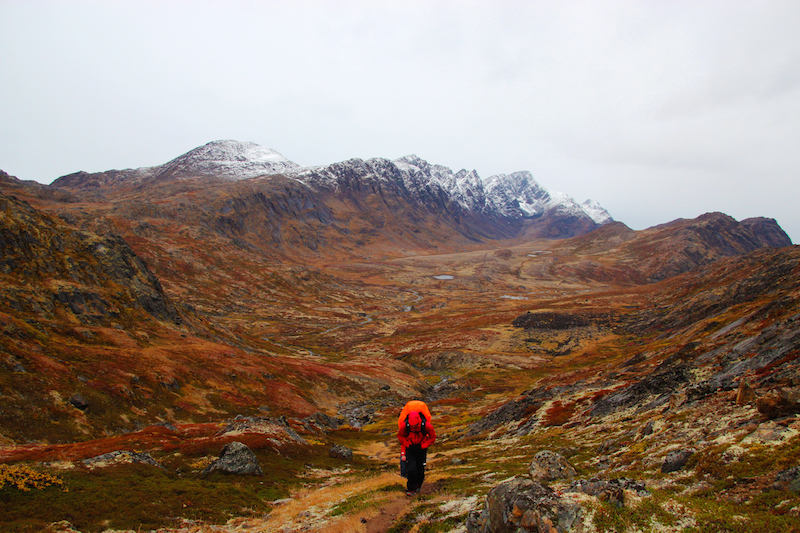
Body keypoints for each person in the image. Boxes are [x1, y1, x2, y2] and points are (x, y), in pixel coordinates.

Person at [397, 400, 436, 496]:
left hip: (421, 448)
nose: (413, 426)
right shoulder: (405, 425)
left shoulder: (426, 425)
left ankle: (418, 485)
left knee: (420, 469)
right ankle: (411, 489)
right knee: (410, 469)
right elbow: (401, 436)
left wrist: (423, 446)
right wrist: (407, 446)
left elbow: (432, 437)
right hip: (410, 448)